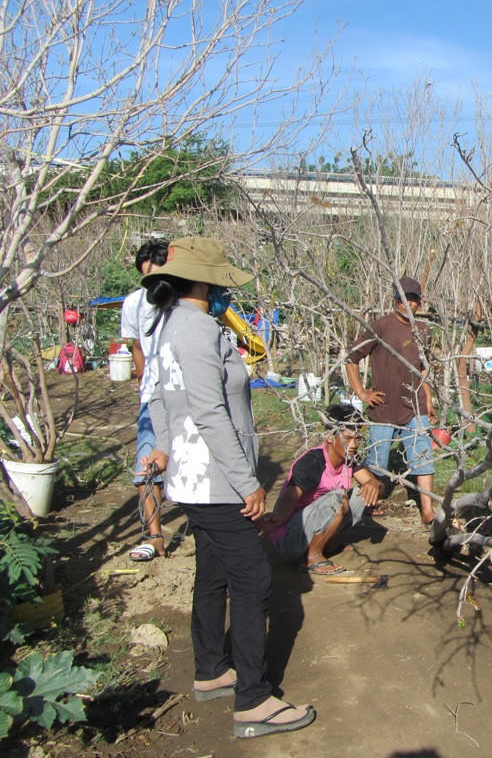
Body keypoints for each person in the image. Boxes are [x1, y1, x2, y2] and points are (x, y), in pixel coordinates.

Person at [141, 237, 315, 738]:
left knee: (214, 573)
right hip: (214, 479)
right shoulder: (195, 329)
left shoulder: (171, 324)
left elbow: (157, 395)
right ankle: (253, 701)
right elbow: (208, 411)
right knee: (253, 580)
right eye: (219, 281)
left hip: (195, 477)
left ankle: (212, 669)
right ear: (203, 280)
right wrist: (247, 483)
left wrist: (166, 447)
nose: (224, 289)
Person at [345, 276, 438, 524]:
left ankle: (427, 509)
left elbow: (424, 370)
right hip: (383, 407)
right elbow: (352, 358)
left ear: (420, 302)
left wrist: (428, 401)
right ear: (394, 300)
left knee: (423, 456)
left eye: (414, 299)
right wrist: (362, 393)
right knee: (378, 462)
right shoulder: (380, 327)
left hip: (414, 404)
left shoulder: (423, 331)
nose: (409, 303)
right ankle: (369, 504)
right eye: (404, 298)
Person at [260, 403, 384, 575]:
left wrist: (374, 484)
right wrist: (277, 518)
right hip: (291, 539)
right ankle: (312, 558)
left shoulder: (349, 459)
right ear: (330, 437)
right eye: (348, 439)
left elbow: (373, 483)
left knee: (359, 495)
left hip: (315, 523)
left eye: (357, 439)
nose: (354, 444)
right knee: (338, 498)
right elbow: (290, 497)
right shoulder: (313, 462)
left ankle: (327, 544)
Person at [121, 235, 170, 562]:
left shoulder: (185, 301)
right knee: (146, 466)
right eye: (145, 276)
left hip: (187, 395)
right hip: (152, 397)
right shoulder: (133, 303)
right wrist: (143, 382)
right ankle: (155, 537)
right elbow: (136, 345)